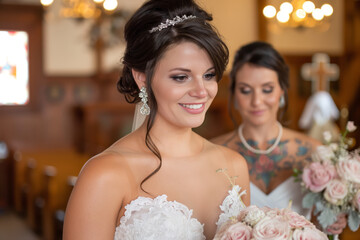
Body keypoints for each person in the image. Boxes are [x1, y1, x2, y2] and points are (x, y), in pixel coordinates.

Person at [63, 0, 250, 239]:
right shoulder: (105, 174)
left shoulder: (234, 166)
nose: (202, 91)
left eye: (209, 75)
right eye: (181, 77)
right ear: (142, 78)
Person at [211, 41, 346, 235]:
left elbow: (320, 222)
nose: (257, 101)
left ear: (281, 92)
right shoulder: (213, 152)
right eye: (245, 90)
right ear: (234, 95)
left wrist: (333, 220)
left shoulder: (313, 151)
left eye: (267, 89)